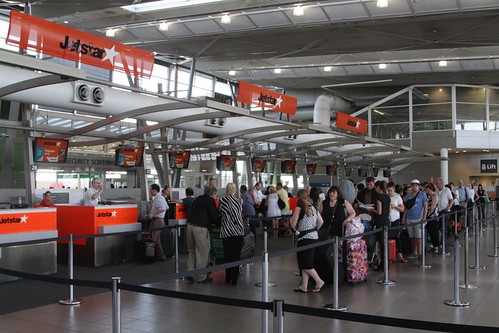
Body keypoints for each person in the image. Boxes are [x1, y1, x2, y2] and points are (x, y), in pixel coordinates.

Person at [290, 189, 325, 293]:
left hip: (304, 238)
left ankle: (319, 281)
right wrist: (313, 230)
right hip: (314, 236)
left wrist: (291, 222)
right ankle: (304, 285)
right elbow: (321, 222)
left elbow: (293, 224)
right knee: (306, 262)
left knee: (305, 264)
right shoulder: (313, 207)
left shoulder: (299, 207)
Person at [186, 186, 219, 283]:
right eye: (215, 195)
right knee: (202, 253)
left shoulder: (197, 199)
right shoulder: (210, 201)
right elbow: (213, 216)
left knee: (191, 251)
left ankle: (189, 273)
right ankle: (202, 276)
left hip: (190, 227)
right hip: (200, 229)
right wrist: (218, 222)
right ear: (213, 194)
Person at [219, 183, 245, 285]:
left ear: (226, 190)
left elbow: (220, 212)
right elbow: (239, 213)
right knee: (236, 255)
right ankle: (234, 279)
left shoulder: (222, 200)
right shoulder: (239, 200)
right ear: (235, 190)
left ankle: (227, 277)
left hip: (226, 230)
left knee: (227, 255)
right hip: (238, 230)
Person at [402, 179, 428, 258]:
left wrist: (424, 217)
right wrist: (404, 218)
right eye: (413, 185)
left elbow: (425, 206)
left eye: (416, 185)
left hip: (418, 219)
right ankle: (414, 251)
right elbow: (406, 207)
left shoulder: (422, 195)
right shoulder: (408, 195)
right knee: (411, 236)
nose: (414, 187)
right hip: (409, 218)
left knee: (418, 236)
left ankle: (419, 253)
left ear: (418, 186)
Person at [370, 180, 391, 270]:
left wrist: (371, 210)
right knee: (385, 244)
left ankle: (382, 265)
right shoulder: (388, 197)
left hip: (380, 222)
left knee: (381, 244)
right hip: (386, 221)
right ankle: (386, 263)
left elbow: (379, 211)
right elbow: (389, 211)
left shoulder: (379, 197)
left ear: (378, 188)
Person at [145, 184, 168, 261]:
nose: (150, 191)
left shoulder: (158, 198)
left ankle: (160, 256)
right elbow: (166, 207)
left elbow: (162, 208)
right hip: (158, 220)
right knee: (155, 238)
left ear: (155, 190)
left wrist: (152, 214)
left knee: (155, 239)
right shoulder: (160, 197)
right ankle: (157, 255)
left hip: (158, 220)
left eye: (150, 190)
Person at [387, 182, 406, 263]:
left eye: (391, 190)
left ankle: (400, 256)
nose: (389, 192)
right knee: (389, 238)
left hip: (395, 219)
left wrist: (395, 206)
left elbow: (402, 209)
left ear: (394, 189)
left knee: (397, 238)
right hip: (388, 220)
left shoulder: (397, 197)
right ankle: (391, 256)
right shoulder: (386, 197)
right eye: (388, 191)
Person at [425, 183, 440, 254]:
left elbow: (433, 207)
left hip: (433, 216)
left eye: (427, 189)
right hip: (428, 216)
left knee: (434, 232)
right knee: (430, 232)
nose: (426, 190)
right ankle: (433, 246)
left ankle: (436, 247)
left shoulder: (435, 196)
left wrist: (425, 208)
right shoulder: (427, 196)